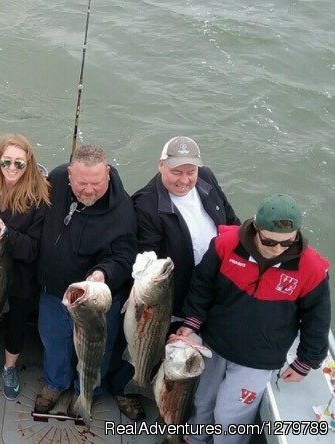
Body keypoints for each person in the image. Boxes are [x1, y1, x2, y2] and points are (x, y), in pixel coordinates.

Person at [177, 194, 330, 444]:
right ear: (256, 229)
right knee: (202, 403)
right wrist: (192, 323)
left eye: (287, 243)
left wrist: (306, 361)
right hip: (214, 344)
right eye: (270, 241)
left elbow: (317, 318)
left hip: (259, 358)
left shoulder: (311, 269)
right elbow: (202, 285)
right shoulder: (225, 245)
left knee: (230, 417)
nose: (278, 249)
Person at [34, 144, 137, 418]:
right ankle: (55, 383)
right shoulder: (54, 180)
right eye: (81, 183)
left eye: (96, 183)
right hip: (54, 291)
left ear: (108, 173)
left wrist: (101, 274)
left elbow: (124, 258)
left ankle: (86, 391)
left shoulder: (123, 209)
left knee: (96, 353)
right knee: (53, 341)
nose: (89, 190)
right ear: (69, 175)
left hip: (95, 301)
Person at [0, 134, 49, 400]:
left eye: (19, 163)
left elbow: (32, 249)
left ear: (29, 163)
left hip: (21, 276)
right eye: (6, 162)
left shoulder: (40, 197)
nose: (12, 169)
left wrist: (5, 235)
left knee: (17, 322)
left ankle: (9, 367)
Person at [132, 136, 239, 323]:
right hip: (181, 302)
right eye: (176, 172)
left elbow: (231, 222)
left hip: (220, 288)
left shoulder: (207, 177)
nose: (184, 180)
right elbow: (150, 265)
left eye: (191, 172)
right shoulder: (144, 205)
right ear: (161, 165)